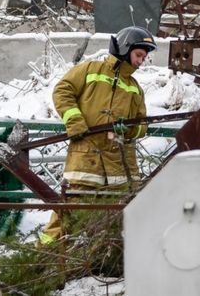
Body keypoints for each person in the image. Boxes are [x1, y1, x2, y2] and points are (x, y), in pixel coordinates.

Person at [40, 26, 155, 244]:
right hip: (86, 159)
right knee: (66, 215)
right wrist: (74, 120)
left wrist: (129, 128)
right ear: (125, 48)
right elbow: (62, 90)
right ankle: (43, 260)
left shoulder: (135, 88)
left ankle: (105, 264)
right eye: (139, 55)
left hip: (120, 166)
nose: (141, 61)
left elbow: (142, 124)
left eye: (144, 57)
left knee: (118, 223)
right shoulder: (90, 70)